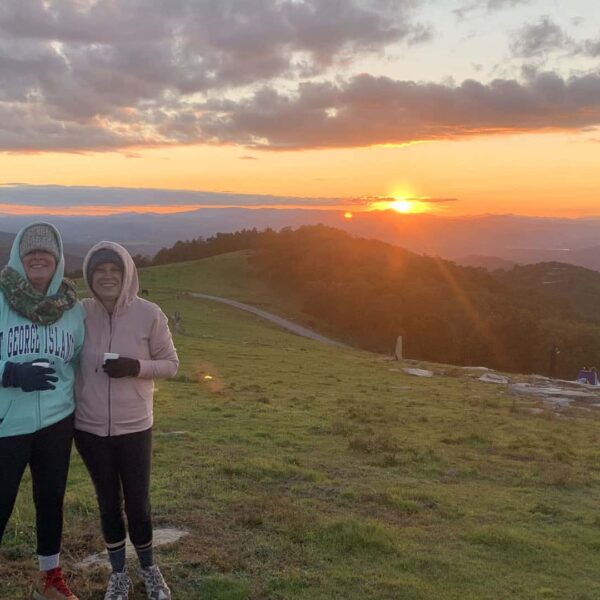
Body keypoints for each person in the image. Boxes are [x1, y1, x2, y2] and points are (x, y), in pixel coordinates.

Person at [74, 242, 179, 600]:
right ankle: (118, 573)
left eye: (114, 271)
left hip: (135, 426)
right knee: (107, 501)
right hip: (88, 428)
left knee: (138, 502)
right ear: (90, 276)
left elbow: (171, 364)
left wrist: (137, 367)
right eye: (99, 271)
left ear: (127, 274)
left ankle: (149, 568)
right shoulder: (78, 313)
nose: (106, 276)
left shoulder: (149, 313)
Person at [0, 223, 84, 600]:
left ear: (57, 260)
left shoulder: (72, 309)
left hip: (56, 422)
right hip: (6, 423)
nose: (37, 257)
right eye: (30, 251)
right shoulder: (1, 298)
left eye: (46, 252)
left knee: (51, 499)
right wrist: (9, 372)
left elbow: (81, 362)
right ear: (19, 255)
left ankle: (50, 579)